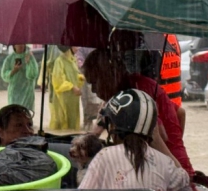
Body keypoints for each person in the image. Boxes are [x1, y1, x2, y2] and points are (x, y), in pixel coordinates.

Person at [80, 90, 201, 191]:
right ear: (151, 130)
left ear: (113, 126)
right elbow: (184, 180)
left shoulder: (104, 156)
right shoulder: (166, 164)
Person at [83, 48, 194, 177]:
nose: (93, 90)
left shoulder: (135, 98)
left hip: (173, 173)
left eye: (95, 82)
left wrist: (177, 168)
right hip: (180, 163)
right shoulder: (134, 86)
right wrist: (176, 146)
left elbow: (158, 136)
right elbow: (181, 113)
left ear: (108, 76)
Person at [47, 46, 84, 131]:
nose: (77, 48)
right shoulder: (59, 61)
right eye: (75, 46)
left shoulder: (72, 60)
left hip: (73, 99)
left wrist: (81, 78)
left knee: (73, 122)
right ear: (68, 47)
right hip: (63, 98)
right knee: (63, 121)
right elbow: (58, 81)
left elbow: (73, 75)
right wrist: (72, 87)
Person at [1, 44, 39, 111]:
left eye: (22, 43)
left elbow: (33, 75)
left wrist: (28, 62)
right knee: (14, 114)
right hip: (14, 93)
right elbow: (4, 75)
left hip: (27, 92)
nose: (21, 45)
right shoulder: (9, 59)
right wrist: (13, 71)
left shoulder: (30, 57)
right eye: (18, 43)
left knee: (25, 114)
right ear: (14, 46)